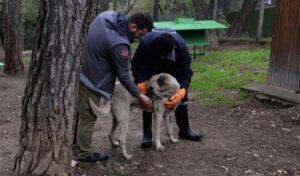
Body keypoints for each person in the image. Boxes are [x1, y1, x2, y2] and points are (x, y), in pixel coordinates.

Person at [75, 11, 153, 162]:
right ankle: (83, 153)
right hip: (91, 80)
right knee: (88, 117)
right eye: (140, 34)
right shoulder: (120, 44)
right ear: (133, 26)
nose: (140, 38)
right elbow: (124, 75)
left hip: (80, 69)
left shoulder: (106, 16)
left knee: (80, 115)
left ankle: (75, 144)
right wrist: (140, 95)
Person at [131, 28, 203, 148]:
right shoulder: (146, 43)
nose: (161, 57)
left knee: (179, 90)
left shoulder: (181, 48)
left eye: (163, 55)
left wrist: (182, 91)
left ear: (172, 49)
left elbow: (186, 72)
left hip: (173, 68)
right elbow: (136, 65)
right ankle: (147, 135)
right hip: (151, 68)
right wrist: (141, 83)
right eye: (159, 54)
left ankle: (185, 129)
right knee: (149, 97)